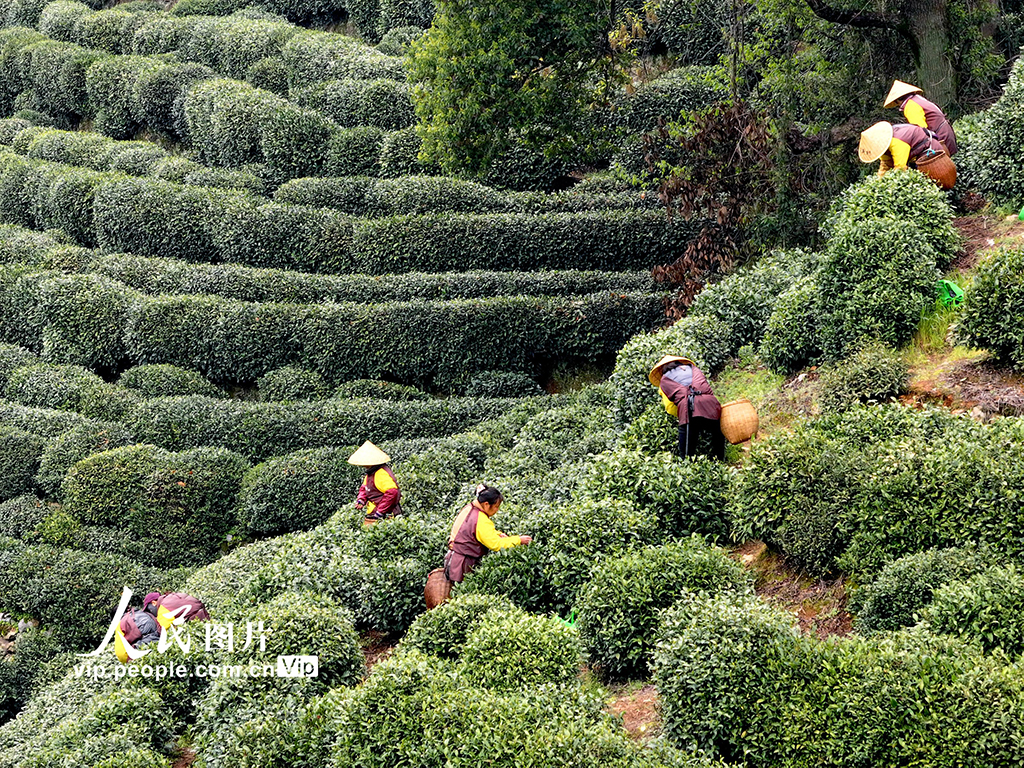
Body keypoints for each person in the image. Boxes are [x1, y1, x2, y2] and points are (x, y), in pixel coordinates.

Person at [444, 484, 532, 583]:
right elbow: (496, 545)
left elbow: (478, 531)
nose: (497, 510)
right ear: (486, 504)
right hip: (463, 565)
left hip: (453, 559)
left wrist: (497, 534)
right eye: (496, 507)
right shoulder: (480, 519)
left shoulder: (469, 507)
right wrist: (519, 540)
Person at [649, 355, 725, 461]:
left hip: (689, 407)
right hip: (711, 404)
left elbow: (670, 406)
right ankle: (720, 460)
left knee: (686, 448)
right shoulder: (693, 369)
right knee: (717, 434)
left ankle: (687, 467)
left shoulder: (665, 380)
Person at [858, 121, 956, 190]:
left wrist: (890, 186)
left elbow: (900, 168)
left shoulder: (898, 142)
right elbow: (885, 165)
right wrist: (878, 183)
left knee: (938, 183)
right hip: (917, 158)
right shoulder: (884, 147)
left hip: (930, 154)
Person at [883, 80, 957, 157]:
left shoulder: (910, 105)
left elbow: (920, 130)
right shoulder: (917, 99)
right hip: (945, 132)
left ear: (898, 100)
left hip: (940, 137)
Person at [348, 441, 402, 526]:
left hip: (385, 517)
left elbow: (392, 492)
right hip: (374, 515)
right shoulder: (371, 473)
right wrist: (361, 500)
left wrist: (380, 512)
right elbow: (364, 488)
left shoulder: (381, 473)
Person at [143, 591, 210, 630]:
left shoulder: (163, 606)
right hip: (205, 617)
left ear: (153, 603)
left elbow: (163, 629)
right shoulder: (171, 597)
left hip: (197, 624)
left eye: (149, 610)